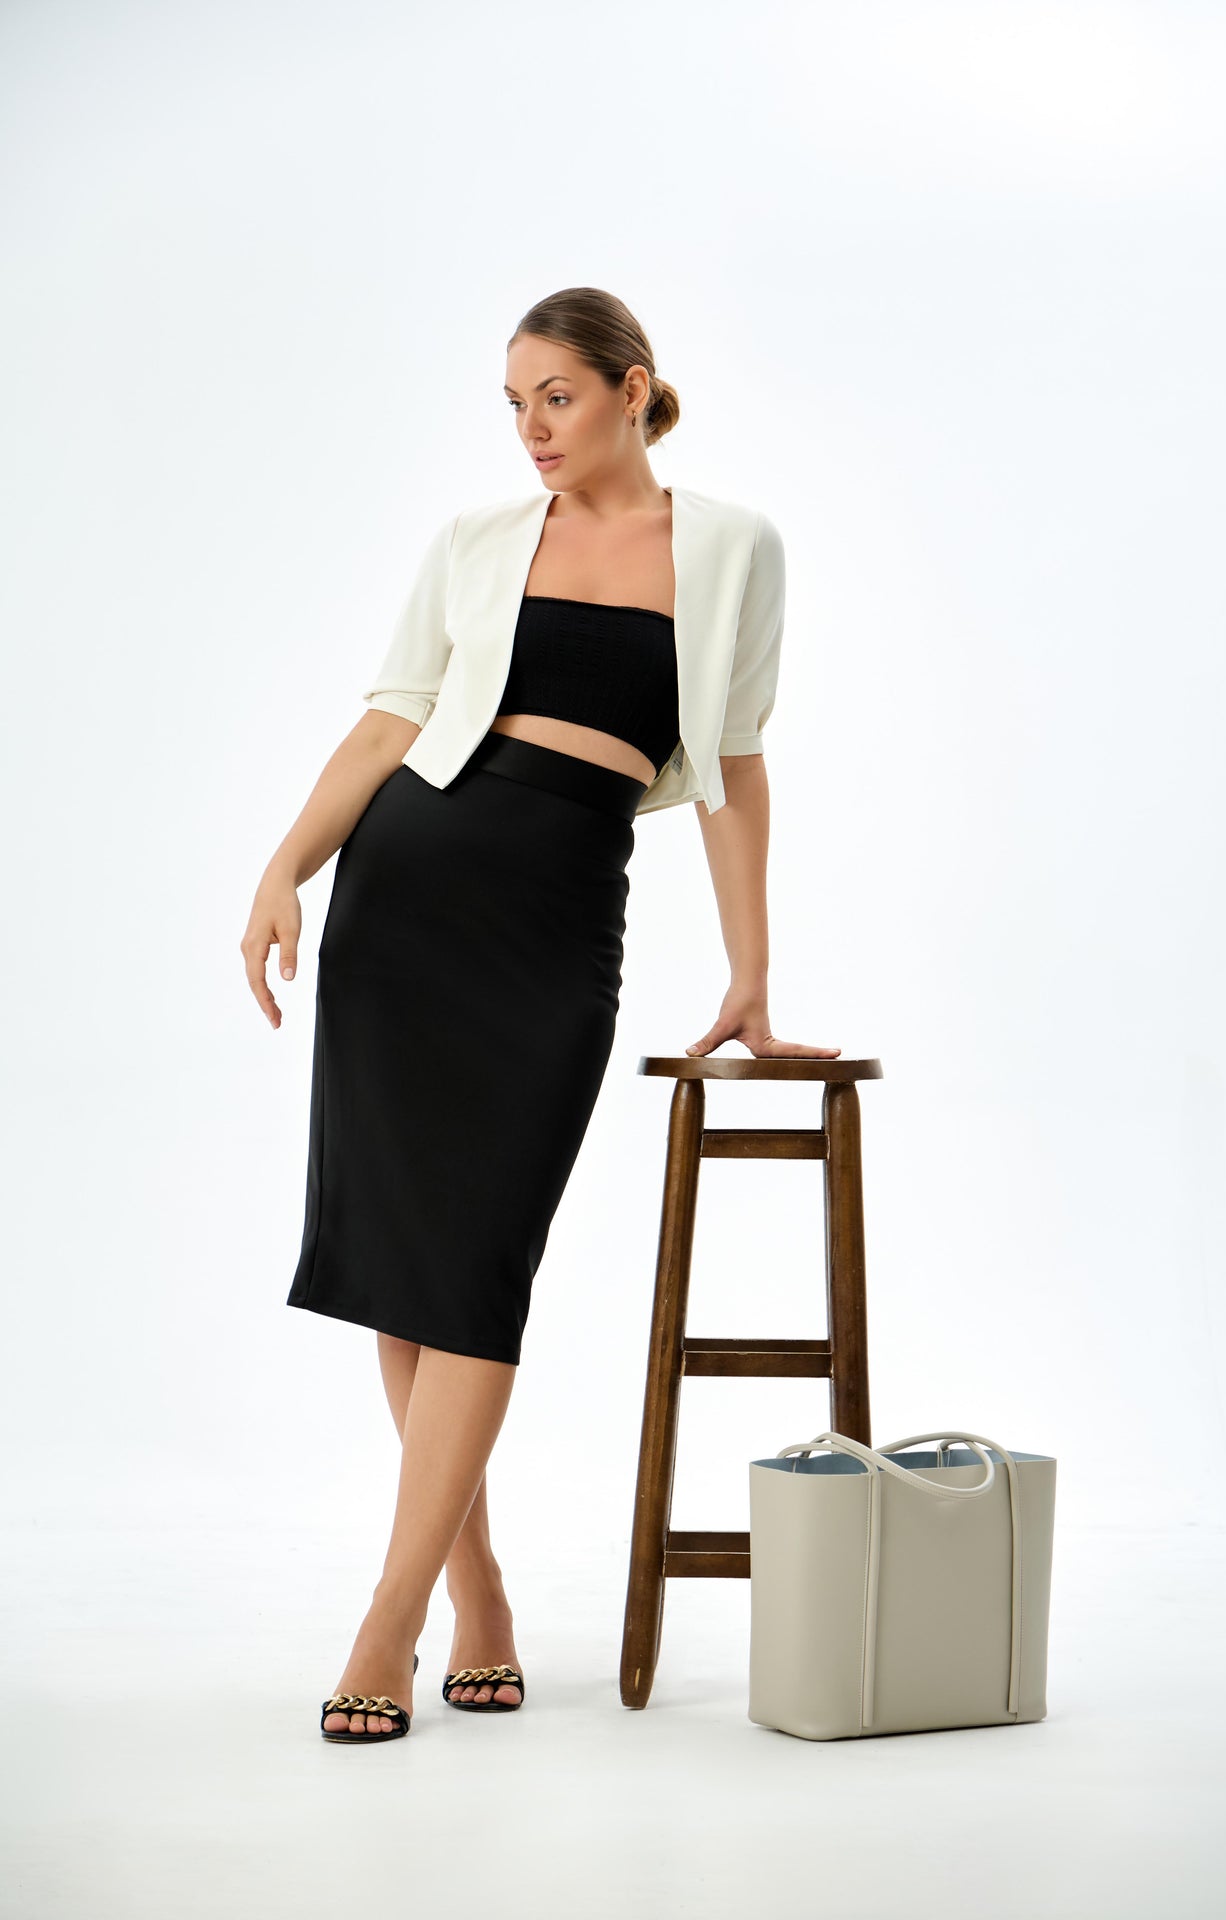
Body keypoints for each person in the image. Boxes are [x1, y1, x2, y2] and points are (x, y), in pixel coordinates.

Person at [240, 286, 841, 1743]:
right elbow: (393, 716)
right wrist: (285, 869)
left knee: (478, 1257)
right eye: (514, 405)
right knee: (407, 1262)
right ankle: (445, 1603)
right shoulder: (477, 541)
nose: (532, 429)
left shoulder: (735, 547)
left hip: (559, 915)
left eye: (556, 397)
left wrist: (752, 973)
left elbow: (734, 763)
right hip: (405, 899)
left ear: (634, 388)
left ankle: (415, 1608)